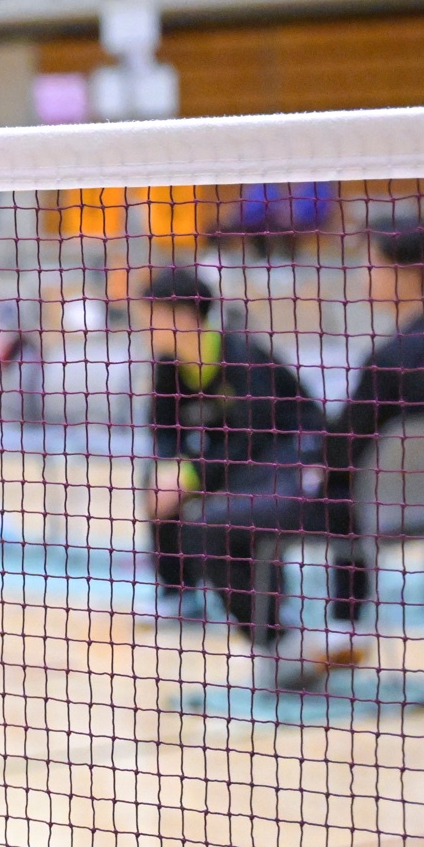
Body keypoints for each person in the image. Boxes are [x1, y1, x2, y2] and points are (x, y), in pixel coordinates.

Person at [176, 217, 424, 684]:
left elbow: (341, 453)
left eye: (370, 263)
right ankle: (346, 623)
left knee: (209, 522)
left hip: (363, 510)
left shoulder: (391, 361)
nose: (362, 274)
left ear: (407, 272)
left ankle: (281, 647)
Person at [133, 267, 322, 624]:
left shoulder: (241, 355)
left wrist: (192, 473)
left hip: (284, 452)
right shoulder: (168, 366)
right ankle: (178, 593)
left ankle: (272, 601)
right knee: (157, 480)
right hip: (231, 452)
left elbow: (256, 435)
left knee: (245, 495)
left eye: (151, 316)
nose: (143, 326)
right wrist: (169, 467)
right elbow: (163, 430)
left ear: (183, 316)